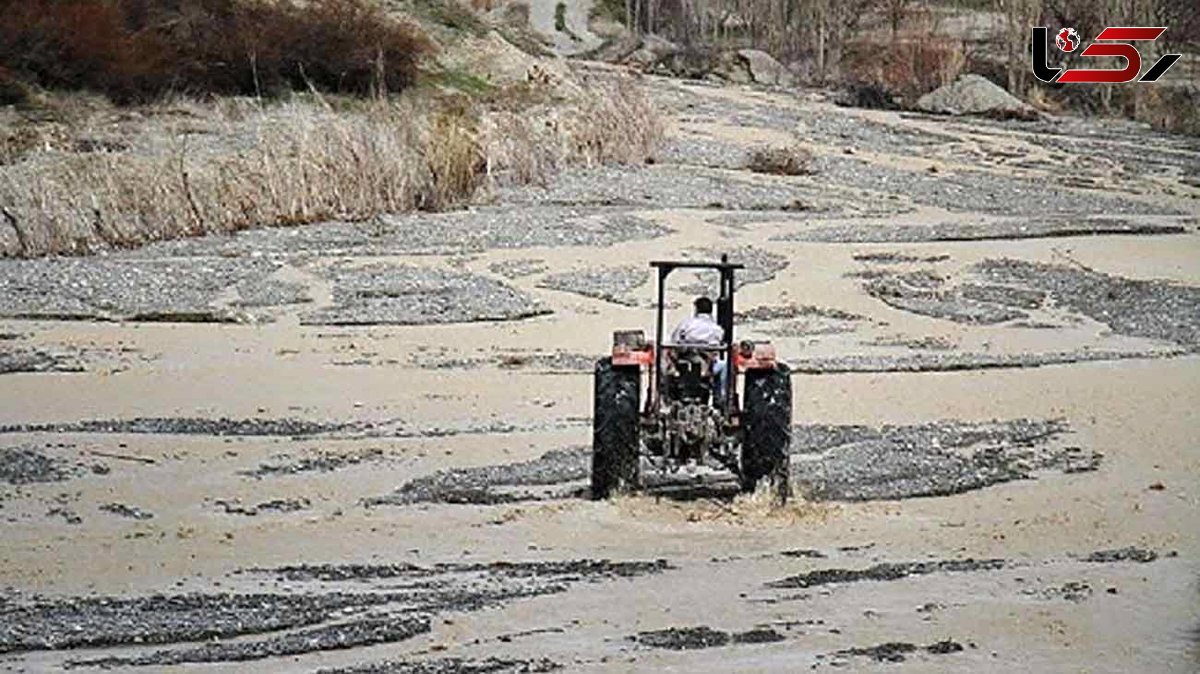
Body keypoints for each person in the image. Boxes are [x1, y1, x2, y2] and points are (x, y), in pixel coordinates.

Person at [669, 296, 728, 399]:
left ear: (696, 309)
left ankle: (666, 397)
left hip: (685, 362)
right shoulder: (717, 329)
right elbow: (719, 343)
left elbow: (675, 339)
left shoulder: (686, 324)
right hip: (707, 365)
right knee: (725, 366)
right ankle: (719, 397)